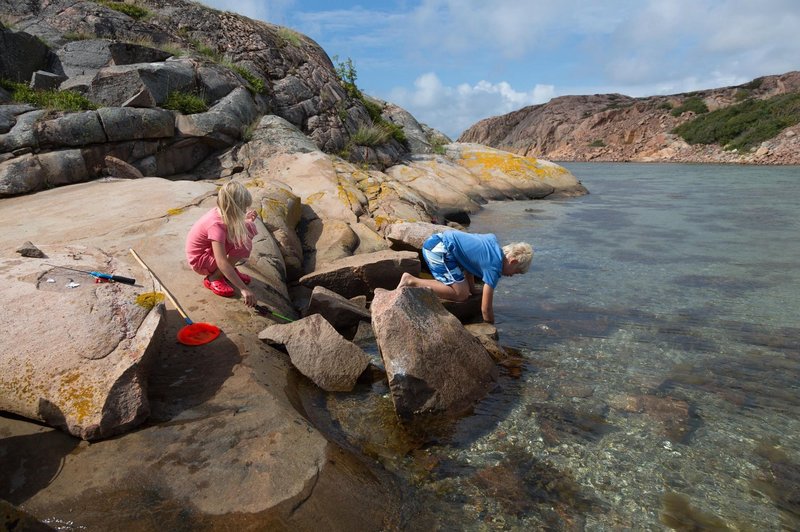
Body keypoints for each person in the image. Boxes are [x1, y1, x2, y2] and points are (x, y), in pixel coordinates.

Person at [397, 231, 533, 323]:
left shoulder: (493, 246)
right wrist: (490, 324)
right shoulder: (494, 267)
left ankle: (417, 281)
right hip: (438, 250)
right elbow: (486, 308)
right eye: (516, 272)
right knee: (461, 294)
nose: (511, 275)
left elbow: (470, 265)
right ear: (513, 262)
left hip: (439, 242)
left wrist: (473, 290)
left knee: (465, 290)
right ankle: (412, 281)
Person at [185, 181, 258, 307]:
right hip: (200, 261)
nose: (245, 210)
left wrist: (246, 219)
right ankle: (215, 277)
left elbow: (231, 224)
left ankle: (229, 271)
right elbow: (222, 261)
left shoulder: (221, 212)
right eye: (243, 208)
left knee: (248, 226)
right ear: (234, 207)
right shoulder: (215, 225)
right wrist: (243, 289)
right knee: (243, 240)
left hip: (208, 253)